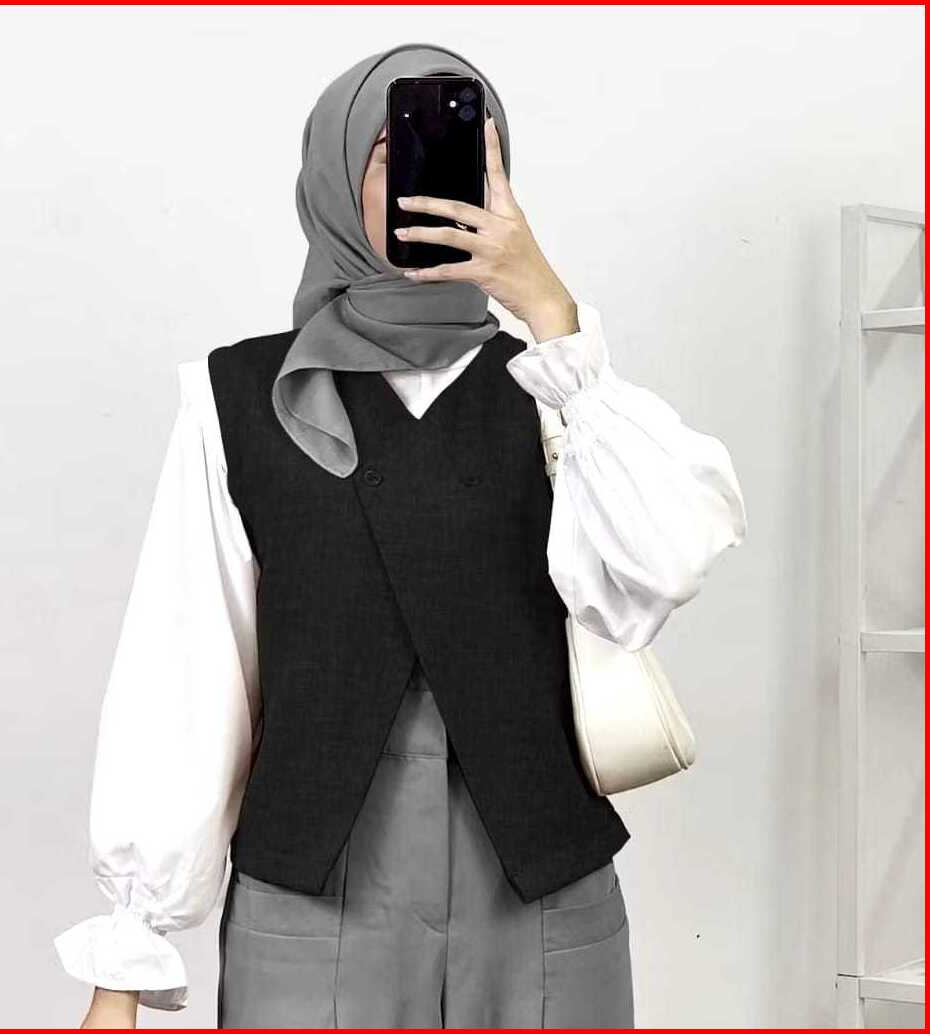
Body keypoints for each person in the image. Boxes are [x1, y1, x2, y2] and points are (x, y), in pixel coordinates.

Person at [54, 42, 747, 1030]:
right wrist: (125, 961)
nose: (430, 180)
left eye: (467, 152)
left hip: (542, 907)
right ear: (336, 178)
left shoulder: (563, 392)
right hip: (311, 910)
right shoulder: (234, 397)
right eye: (392, 150)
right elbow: (186, 671)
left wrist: (552, 316)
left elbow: (667, 563)